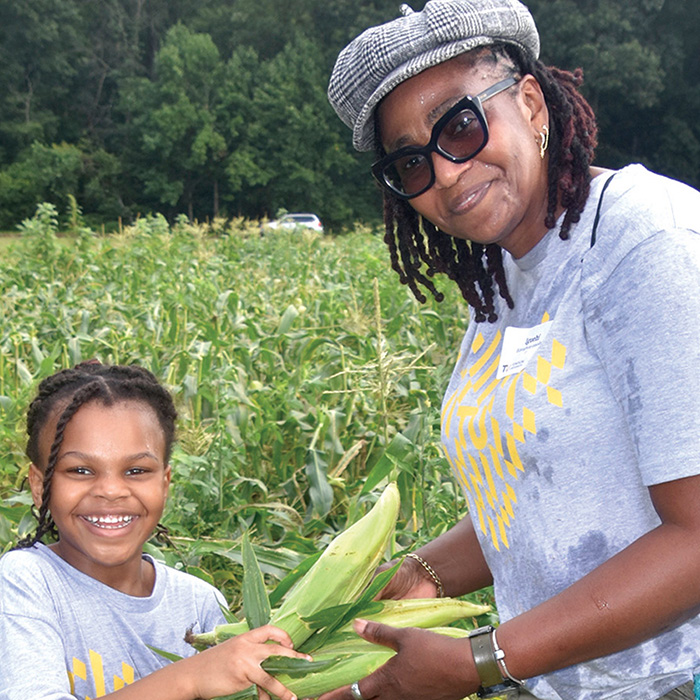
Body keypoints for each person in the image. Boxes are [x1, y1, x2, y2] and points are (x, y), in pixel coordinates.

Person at [323, 1, 700, 699]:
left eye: (458, 126)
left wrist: (483, 660)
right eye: (409, 163)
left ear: (530, 103)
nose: (442, 171)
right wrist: (419, 577)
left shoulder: (642, 240)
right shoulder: (501, 282)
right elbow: (542, 492)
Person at [0, 361, 308, 700]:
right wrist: (190, 679)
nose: (112, 490)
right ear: (40, 485)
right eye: (81, 470)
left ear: (164, 483)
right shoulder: (24, 581)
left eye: (135, 470)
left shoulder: (200, 603)